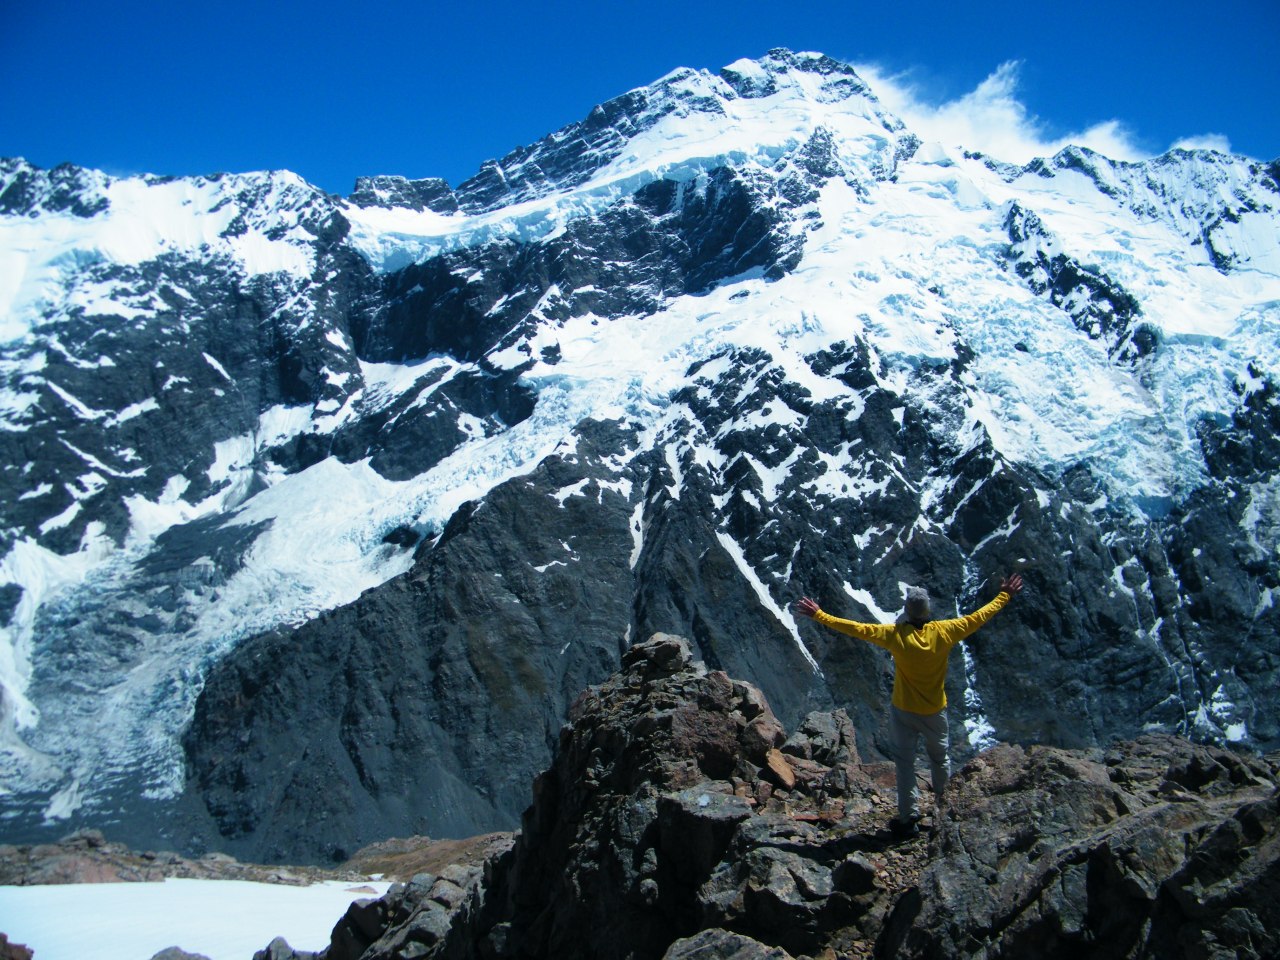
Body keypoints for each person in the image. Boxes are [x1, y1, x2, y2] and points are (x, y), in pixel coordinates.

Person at [795, 574, 1023, 837]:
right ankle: (943, 810)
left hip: (903, 710)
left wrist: (820, 615)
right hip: (935, 710)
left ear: (907, 611)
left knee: (905, 764)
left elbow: (856, 628)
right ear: (927, 611)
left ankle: (908, 818)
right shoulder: (946, 631)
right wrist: (1004, 595)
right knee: (940, 760)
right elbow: (979, 616)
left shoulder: (895, 635)